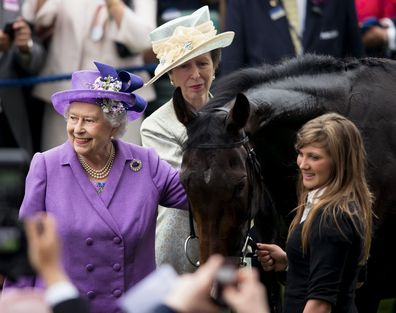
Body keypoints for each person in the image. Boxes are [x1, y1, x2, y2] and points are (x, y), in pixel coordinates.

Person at [4, 62, 188, 313]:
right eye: (72, 118)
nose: (77, 129)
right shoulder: (46, 166)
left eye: (88, 120)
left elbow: (202, 196)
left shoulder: (146, 164)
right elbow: (27, 248)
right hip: (66, 307)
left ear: (114, 125)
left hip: (132, 308)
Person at [140, 5, 234, 274]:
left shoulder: (233, 116)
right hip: (179, 244)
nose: (195, 74)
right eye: (184, 66)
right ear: (170, 75)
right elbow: (185, 185)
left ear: (214, 67)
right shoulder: (155, 126)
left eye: (203, 63)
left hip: (229, 239)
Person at [256, 113, 373, 313]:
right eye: (301, 153)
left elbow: (320, 305)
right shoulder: (337, 207)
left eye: (314, 157)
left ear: (339, 162)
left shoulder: (332, 219)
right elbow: (341, 275)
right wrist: (290, 262)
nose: (302, 164)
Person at [21, 0, 157, 150]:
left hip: (120, 101)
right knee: (60, 167)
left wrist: (114, 4)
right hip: (65, 98)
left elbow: (144, 40)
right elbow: (37, 17)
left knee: (121, 167)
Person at [220, 0, 364, 76]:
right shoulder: (244, 3)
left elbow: (357, 64)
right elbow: (231, 68)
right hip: (266, 117)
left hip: (327, 116)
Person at [0, 0, 45, 157]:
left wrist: (26, 47)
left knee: (14, 174)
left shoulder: (20, 5)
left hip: (10, 113)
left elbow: (38, 59)